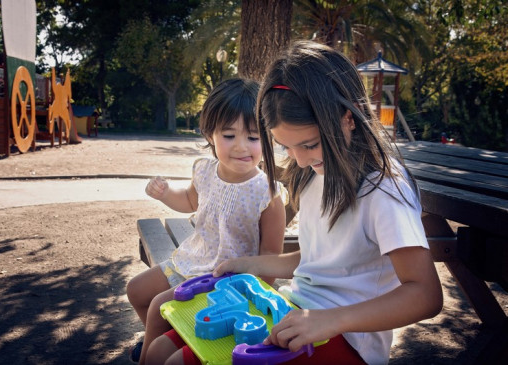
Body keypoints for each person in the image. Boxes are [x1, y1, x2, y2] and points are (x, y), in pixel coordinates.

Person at [147, 41, 443, 365]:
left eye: (309, 144)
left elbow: (425, 294)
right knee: (161, 348)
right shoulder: (318, 171)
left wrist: (329, 320)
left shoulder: (383, 189)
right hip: (294, 312)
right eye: (286, 147)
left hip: (347, 339)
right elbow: (319, 259)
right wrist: (249, 264)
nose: (299, 161)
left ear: (348, 118)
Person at [126, 78, 286, 365]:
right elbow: (189, 200)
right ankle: (160, 337)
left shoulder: (268, 193)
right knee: (136, 291)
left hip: (226, 281)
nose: (241, 147)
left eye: (253, 137)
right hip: (192, 259)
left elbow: (272, 254)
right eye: (229, 135)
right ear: (210, 134)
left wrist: (249, 296)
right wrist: (165, 194)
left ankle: (149, 355)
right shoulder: (205, 171)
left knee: (158, 307)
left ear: (269, 138)